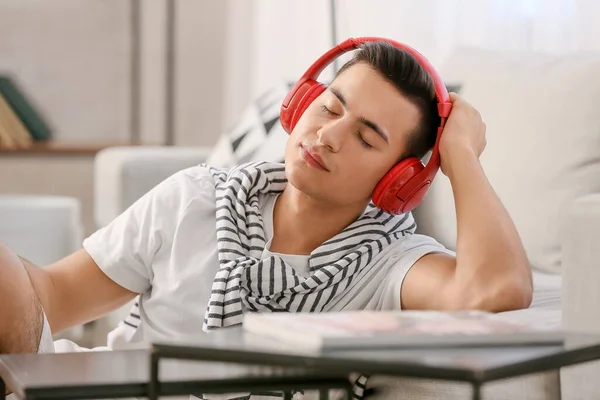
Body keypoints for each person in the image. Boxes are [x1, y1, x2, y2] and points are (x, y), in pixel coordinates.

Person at [0, 39, 533, 361]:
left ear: (399, 181)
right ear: (300, 103)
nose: (328, 135)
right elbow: (52, 296)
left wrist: (460, 153)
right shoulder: (196, 198)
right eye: (329, 108)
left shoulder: (390, 264)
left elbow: (496, 288)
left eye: (367, 138)